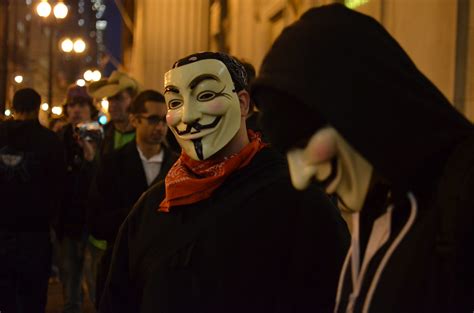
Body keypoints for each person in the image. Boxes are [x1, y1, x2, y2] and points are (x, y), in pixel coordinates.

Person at [250, 4, 474, 313]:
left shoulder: (461, 198)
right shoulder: (379, 201)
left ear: (359, 109)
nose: (300, 177)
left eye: (303, 143)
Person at [99, 52, 350, 313]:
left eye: (206, 96)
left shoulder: (299, 199)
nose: (188, 115)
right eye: (175, 101)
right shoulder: (152, 207)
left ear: (243, 103)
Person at [88, 89, 178, 307]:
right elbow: (97, 221)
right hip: (120, 271)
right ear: (135, 120)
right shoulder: (112, 163)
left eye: (164, 120)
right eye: (153, 119)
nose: (160, 127)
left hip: (165, 277)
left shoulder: (178, 167)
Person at [0, 88, 65, 313]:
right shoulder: (50, 141)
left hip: (2, 231)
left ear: (13, 106)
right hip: (35, 234)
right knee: (33, 297)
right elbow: (58, 187)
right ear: (38, 109)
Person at [56, 84, 100, 313]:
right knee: (69, 277)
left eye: (81, 104)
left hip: (93, 221)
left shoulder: (101, 135)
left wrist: (91, 157)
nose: (76, 110)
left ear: (90, 109)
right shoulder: (61, 136)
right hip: (67, 220)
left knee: (94, 282)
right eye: (72, 105)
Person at [88, 71, 139, 157]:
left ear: (132, 100)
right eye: (110, 99)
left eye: (118, 98)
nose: (112, 104)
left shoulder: (143, 133)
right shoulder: (102, 134)